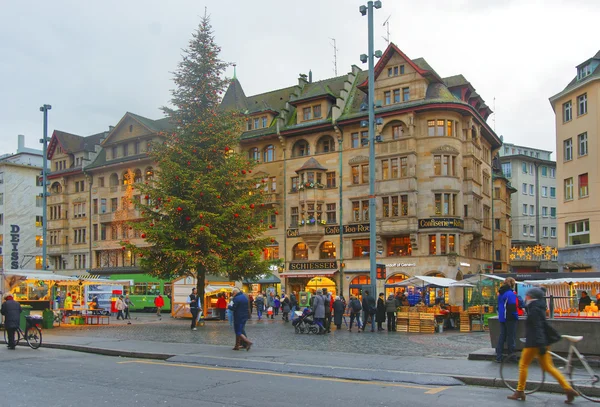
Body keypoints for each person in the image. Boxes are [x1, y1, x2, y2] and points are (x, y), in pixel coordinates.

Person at [507, 288, 578, 403]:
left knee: (523, 365)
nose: (525, 297)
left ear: (530, 297)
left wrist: (540, 344)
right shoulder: (538, 307)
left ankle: (520, 391)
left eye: (527, 295)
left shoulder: (534, 309)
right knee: (549, 367)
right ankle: (568, 389)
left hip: (534, 343)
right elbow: (544, 324)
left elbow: (538, 327)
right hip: (541, 342)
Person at [496, 277, 519, 363]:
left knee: (502, 336)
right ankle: (511, 356)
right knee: (511, 337)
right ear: (512, 284)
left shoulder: (500, 293)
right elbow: (512, 307)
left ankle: (499, 356)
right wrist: (516, 316)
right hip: (510, 317)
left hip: (502, 317)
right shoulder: (510, 294)